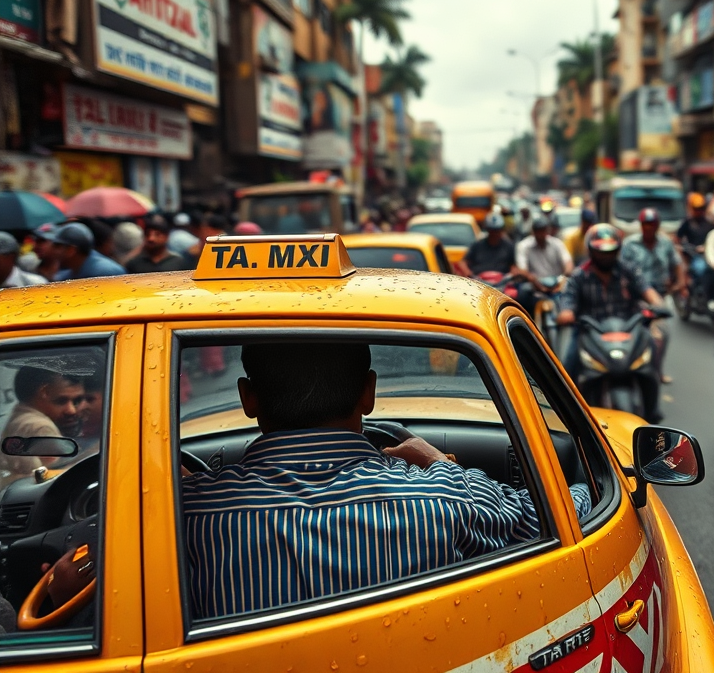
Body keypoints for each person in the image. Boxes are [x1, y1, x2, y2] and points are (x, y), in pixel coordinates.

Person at [181, 342, 591, 619]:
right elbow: (566, 511)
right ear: (369, 393)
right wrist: (440, 463)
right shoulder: (444, 496)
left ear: (247, 397)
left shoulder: (185, 514)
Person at [557, 224, 666, 420]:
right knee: (566, 374)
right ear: (591, 250)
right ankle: (570, 418)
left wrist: (659, 305)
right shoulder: (579, 276)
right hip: (590, 333)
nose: (605, 256)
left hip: (629, 331)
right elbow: (567, 301)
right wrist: (566, 313)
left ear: (618, 250)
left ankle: (652, 410)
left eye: (610, 251)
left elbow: (647, 291)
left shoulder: (628, 270)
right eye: (600, 251)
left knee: (651, 360)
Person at [622, 209, 683, 384]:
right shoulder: (630, 244)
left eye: (652, 225)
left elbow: (676, 263)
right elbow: (621, 270)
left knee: (662, 335)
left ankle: (657, 370)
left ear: (657, 226)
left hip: (659, 297)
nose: (648, 228)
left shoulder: (665, 243)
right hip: (635, 298)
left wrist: (679, 283)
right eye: (645, 225)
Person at [0, 364, 86, 487]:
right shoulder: (40, 427)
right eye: (61, 401)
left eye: (76, 402)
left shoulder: (19, 419)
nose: (71, 410)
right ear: (45, 392)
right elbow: (51, 480)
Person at [514, 216, 573, 317]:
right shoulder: (524, 245)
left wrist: (563, 277)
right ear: (533, 232)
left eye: (543, 230)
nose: (541, 234)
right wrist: (533, 280)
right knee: (523, 291)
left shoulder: (557, 244)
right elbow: (522, 269)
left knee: (572, 289)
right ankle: (527, 320)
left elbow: (568, 263)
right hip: (535, 283)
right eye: (538, 231)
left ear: (547, 230)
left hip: (557, 283)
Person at [53, 223, 126, 280]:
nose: (53, 251)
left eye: (57, 246)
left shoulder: (106, 272)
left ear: (71, 250)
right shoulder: (67, 275)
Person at [126, 215, 190, 273]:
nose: (151, 238)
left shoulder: (178, 262)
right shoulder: (135, 264)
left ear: (166, 237)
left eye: (157, 234)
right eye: (147, 234)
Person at [459, 212, 515, 276]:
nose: (494, 234)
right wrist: (468, 273)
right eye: (492, 231)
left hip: (502, 279)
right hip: (478, 279)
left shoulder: (508, 246)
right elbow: (463, 262)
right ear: (488, 230)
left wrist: (512, 274)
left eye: (497, 231)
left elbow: (514, 266)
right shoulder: (477, 245)